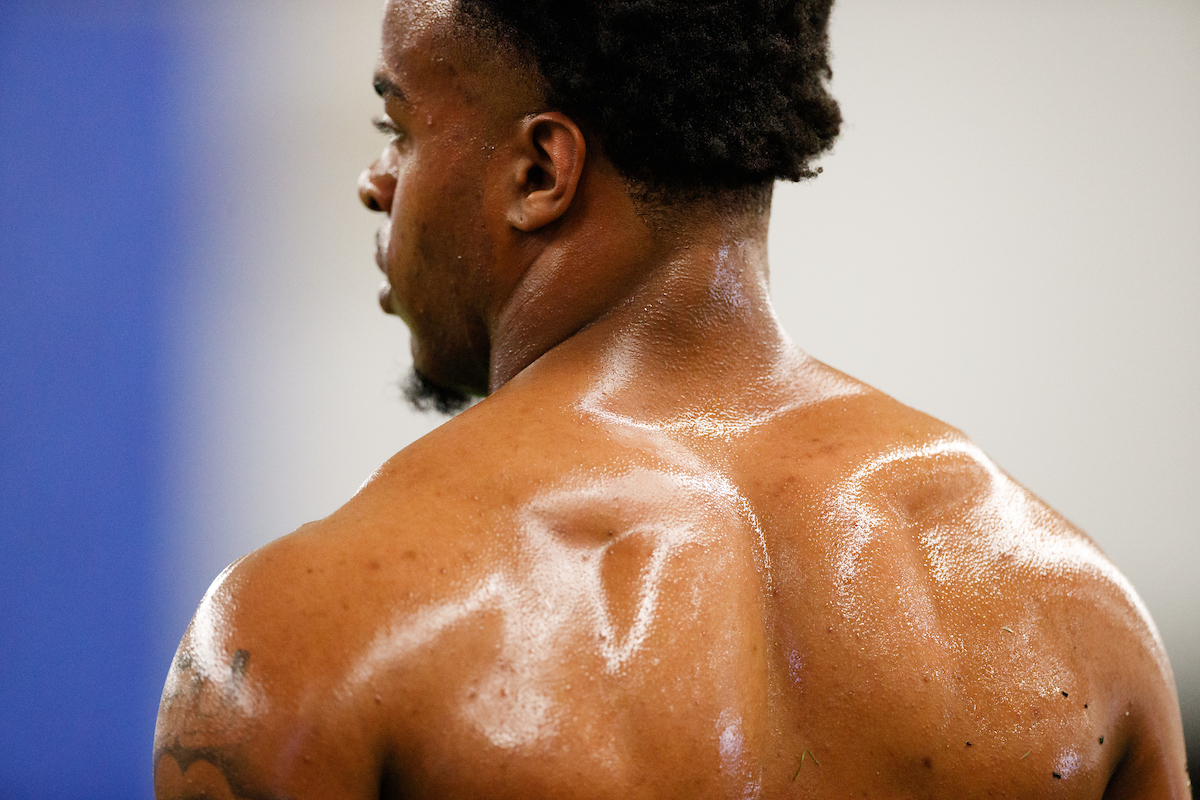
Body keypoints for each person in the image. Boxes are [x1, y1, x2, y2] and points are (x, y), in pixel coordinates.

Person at [153, 0, 1191, 796]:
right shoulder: (1079, 616)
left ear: (540, 170)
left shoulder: (313, 629)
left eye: (401, 128)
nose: (377, 182)